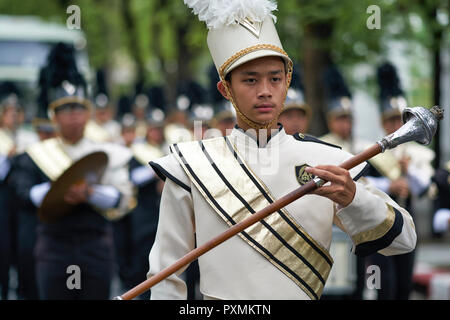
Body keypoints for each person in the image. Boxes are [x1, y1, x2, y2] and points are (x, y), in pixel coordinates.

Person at [147, 0, 417, 300]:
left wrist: (354, 198)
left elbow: (403, 240)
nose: (265, 90)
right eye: (250, 80)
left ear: (286, 82)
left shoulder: (329, 160)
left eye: (275, 78)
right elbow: (164, 273)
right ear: (226, 89)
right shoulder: (191, 164)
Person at [9, 43, 135, 300]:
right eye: (66, 109)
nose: (74, 116)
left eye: (79, 108)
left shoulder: (106, 151)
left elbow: (121, 197)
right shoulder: (35, 155)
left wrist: (89, 193)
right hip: (54, 247)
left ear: (88, 114)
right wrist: (62, 189)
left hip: (96, 245)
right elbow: (23, 194)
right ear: (53, 116)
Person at [365, 61, 434, 300]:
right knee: (385, 287)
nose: (396, 126)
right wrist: (389, 185)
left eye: (399, 121)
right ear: (383, 123)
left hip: (408, 228)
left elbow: (425, 189)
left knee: (404, 285)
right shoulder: (372, 153)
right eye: (390, 121)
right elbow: (362, 186)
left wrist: (410, 172)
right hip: (379, 228)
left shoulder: (417, 155)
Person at [278, 65, 311, 135]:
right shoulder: (268, 145)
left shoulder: (316, 145)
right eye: (289, 116)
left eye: (300, 116)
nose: (295, 122)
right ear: (277, 119)